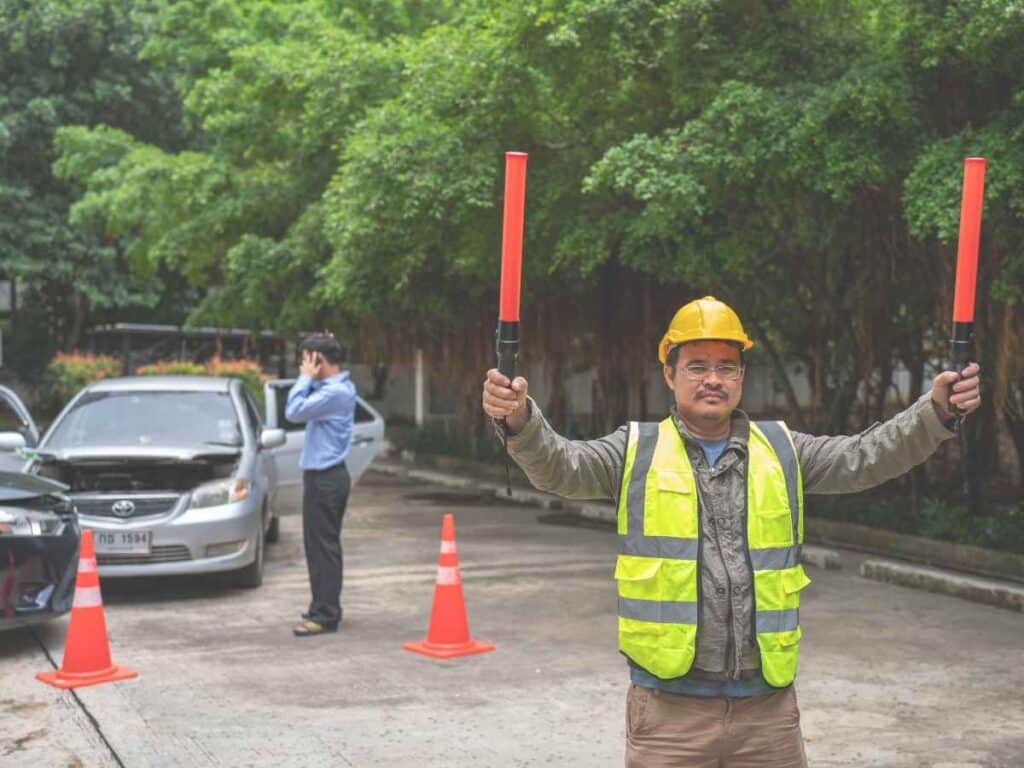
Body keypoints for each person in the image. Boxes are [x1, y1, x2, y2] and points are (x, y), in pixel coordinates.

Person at [481, 296, 981, 767]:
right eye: (697, 366)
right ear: (670, 375)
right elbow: (560, 466)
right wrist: (520, 419)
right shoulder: (635, 450)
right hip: (668, 714)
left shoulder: (783, 450)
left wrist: (934, 412)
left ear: (741, 377)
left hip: (768, 716)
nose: (712, 379)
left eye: (726, 367)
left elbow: (865, 457)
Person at [286, 333, 357, 637]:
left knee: (324, 547)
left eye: (306, 358)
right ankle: (322, 606)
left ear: (318, 360)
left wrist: (304, 378)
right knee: (317, 547)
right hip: (322, 477)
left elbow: (293, 411)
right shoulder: (331, 389)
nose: (303, 364)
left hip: (327, 478)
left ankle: (326, 615)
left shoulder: (336, 392)